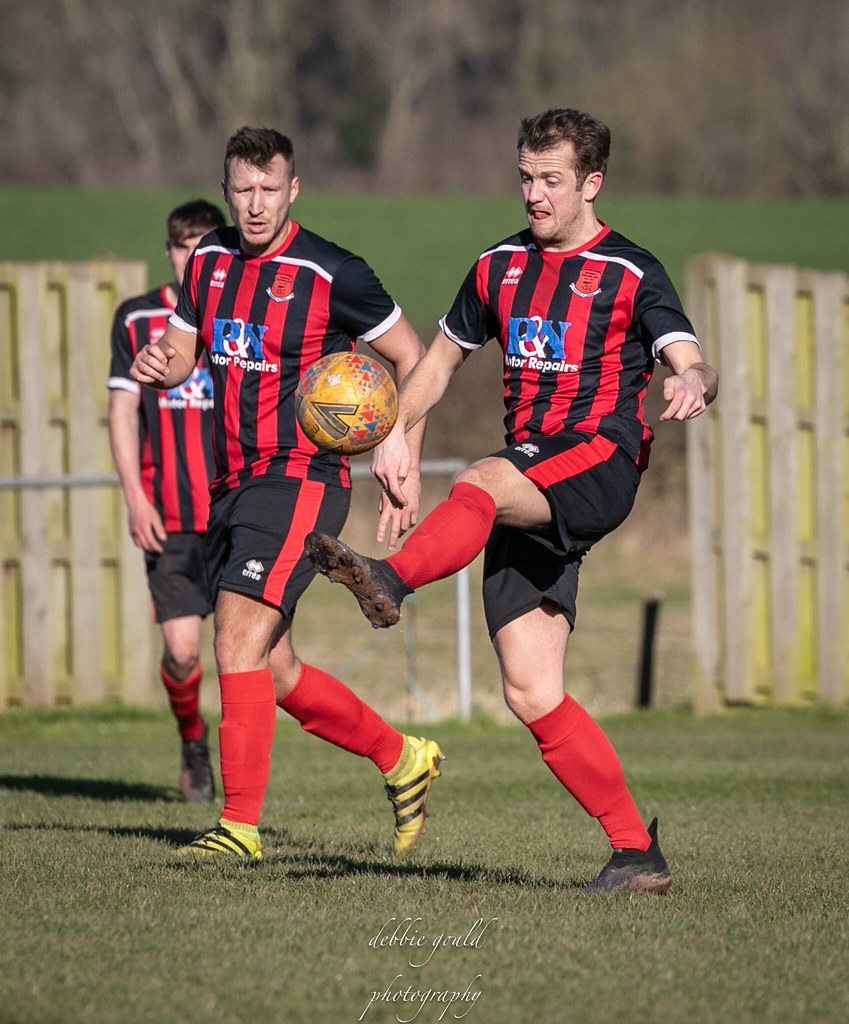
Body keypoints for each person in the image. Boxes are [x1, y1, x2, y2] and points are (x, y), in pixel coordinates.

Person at [307, 107, 718, 894]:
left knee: (480, 482)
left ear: (591, 183)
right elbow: (437, 363)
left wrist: (693, 381)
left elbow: (687, 355)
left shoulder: (631, 271)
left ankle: (390, 580)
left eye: (551, 180)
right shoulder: (497, 266)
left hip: (598, 460)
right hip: (534, 481)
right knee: (529, 687)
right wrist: (394, 428)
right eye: (525, 177)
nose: (533, 194)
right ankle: (636, 853)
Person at [129, 126, 442, 861]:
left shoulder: (333, 271)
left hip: (302, 477)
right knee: (272, 666)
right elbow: (183, 351)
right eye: (243, 190)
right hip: (232, 480)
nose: (257, 204)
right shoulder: (207, 259)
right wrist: (161, 362)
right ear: (227, 188)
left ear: (292, 189)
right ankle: (403, 759)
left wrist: (400, 447)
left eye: (270, 189)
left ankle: (238, 827)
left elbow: (411, 357)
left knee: (233, 633)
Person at [108, 199, 226, 803]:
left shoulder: (238, 313)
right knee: (182, 653)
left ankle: (242, 792)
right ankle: (191, 740)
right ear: (169, 252)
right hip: (172, 516)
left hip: (236, 510)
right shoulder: (137, 319)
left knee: (245, 657)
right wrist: (135, 497)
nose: (190, 256)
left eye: (201, 244)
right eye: (181, 245)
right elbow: (123, 410)